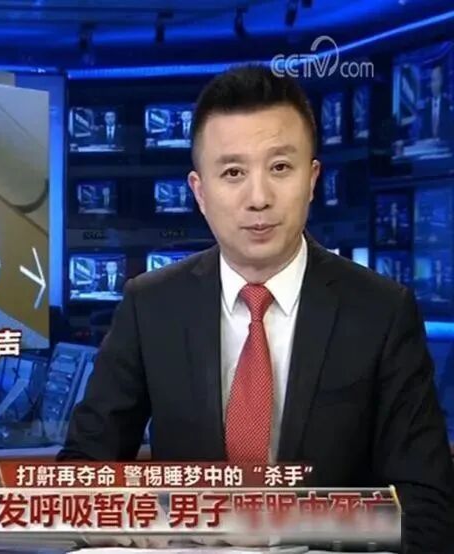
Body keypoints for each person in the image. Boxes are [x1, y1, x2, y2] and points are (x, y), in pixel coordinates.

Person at [58, 64, 454, 553]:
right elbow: (81, 471)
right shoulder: (151, 306)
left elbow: (427, 511)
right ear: (199, 192)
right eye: (233, 173)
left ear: (312, 179)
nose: (259, 198)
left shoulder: (381, 312)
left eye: (280, 168)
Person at [420, 64, 452, 142]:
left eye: (434, 80)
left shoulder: (448, 105)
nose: (432, 84)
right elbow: (422, 134)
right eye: (431, 80)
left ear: (441, 81)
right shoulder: (427, 107)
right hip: (429, 147)